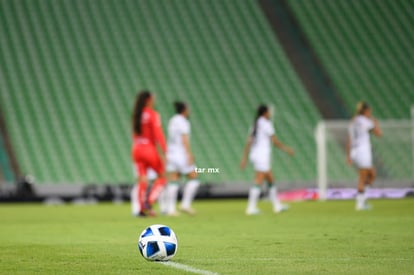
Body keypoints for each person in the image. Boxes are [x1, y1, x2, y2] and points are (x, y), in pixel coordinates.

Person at [240, 104, 294, 215]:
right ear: (265, 113)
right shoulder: (266, 123)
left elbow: (248, 142)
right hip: (262, 155)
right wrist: (287, 149)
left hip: (255, 154)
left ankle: (277, 206)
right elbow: (274, 141)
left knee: (270, 179)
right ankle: (251, 208)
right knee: (258, 180)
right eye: (268, 112)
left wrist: (244, 158)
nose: (270, 114)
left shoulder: (255, 124)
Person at [131, 91, 167, 216]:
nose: (154, 101)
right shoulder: (153, 114)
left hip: (136, 149)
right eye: (153, 99)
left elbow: (134, 134)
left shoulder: (136, 114)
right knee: (162, 177)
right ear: (148, 100)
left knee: (142, 180)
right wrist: (164, 152)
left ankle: (141, 209)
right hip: (148, 149)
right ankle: (149, 202)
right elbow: (158, 135)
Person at [162, 101, 199, 216]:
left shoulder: (172, 120)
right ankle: (185, 204)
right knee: (194, 177)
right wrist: (189, 154)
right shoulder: (183, 122)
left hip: (171, 153)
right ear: (184, 110)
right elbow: (184, 139)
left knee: (174, 180)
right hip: (181, 154)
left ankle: (170, 209)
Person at [346, 101, 382, 211]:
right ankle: (360, 204)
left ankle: (363, 200)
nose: (370, 113)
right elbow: (378, 134)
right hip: (362, 151)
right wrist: (375, 123)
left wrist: (349, 155)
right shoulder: (365, 121)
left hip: (355, 151)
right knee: (363, 177)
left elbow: (350, 139)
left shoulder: (353, 121)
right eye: (369, 111)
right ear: (366, 111)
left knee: (371, 174)